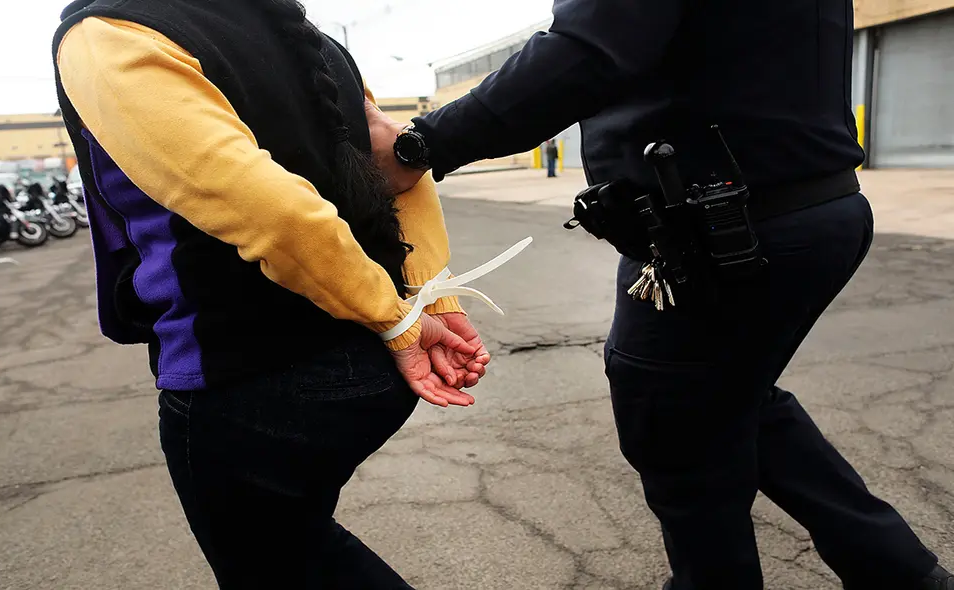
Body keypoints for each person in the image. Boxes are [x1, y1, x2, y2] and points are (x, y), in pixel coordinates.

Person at [367, 1, 953, 589]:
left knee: (675, 433)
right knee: (732, 399)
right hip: (815, 209)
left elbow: (588, 51)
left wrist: (420, 146)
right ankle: (900, 572)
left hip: (724, 234)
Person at [52, 0, 490, 587]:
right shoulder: (312, 39)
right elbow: (401, 170)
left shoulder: (113, 33)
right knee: (294, 544)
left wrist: (403, 320)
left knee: (276, 569)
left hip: (248, 379)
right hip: (371, 368)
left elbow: (270, 209)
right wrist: (430, 303)